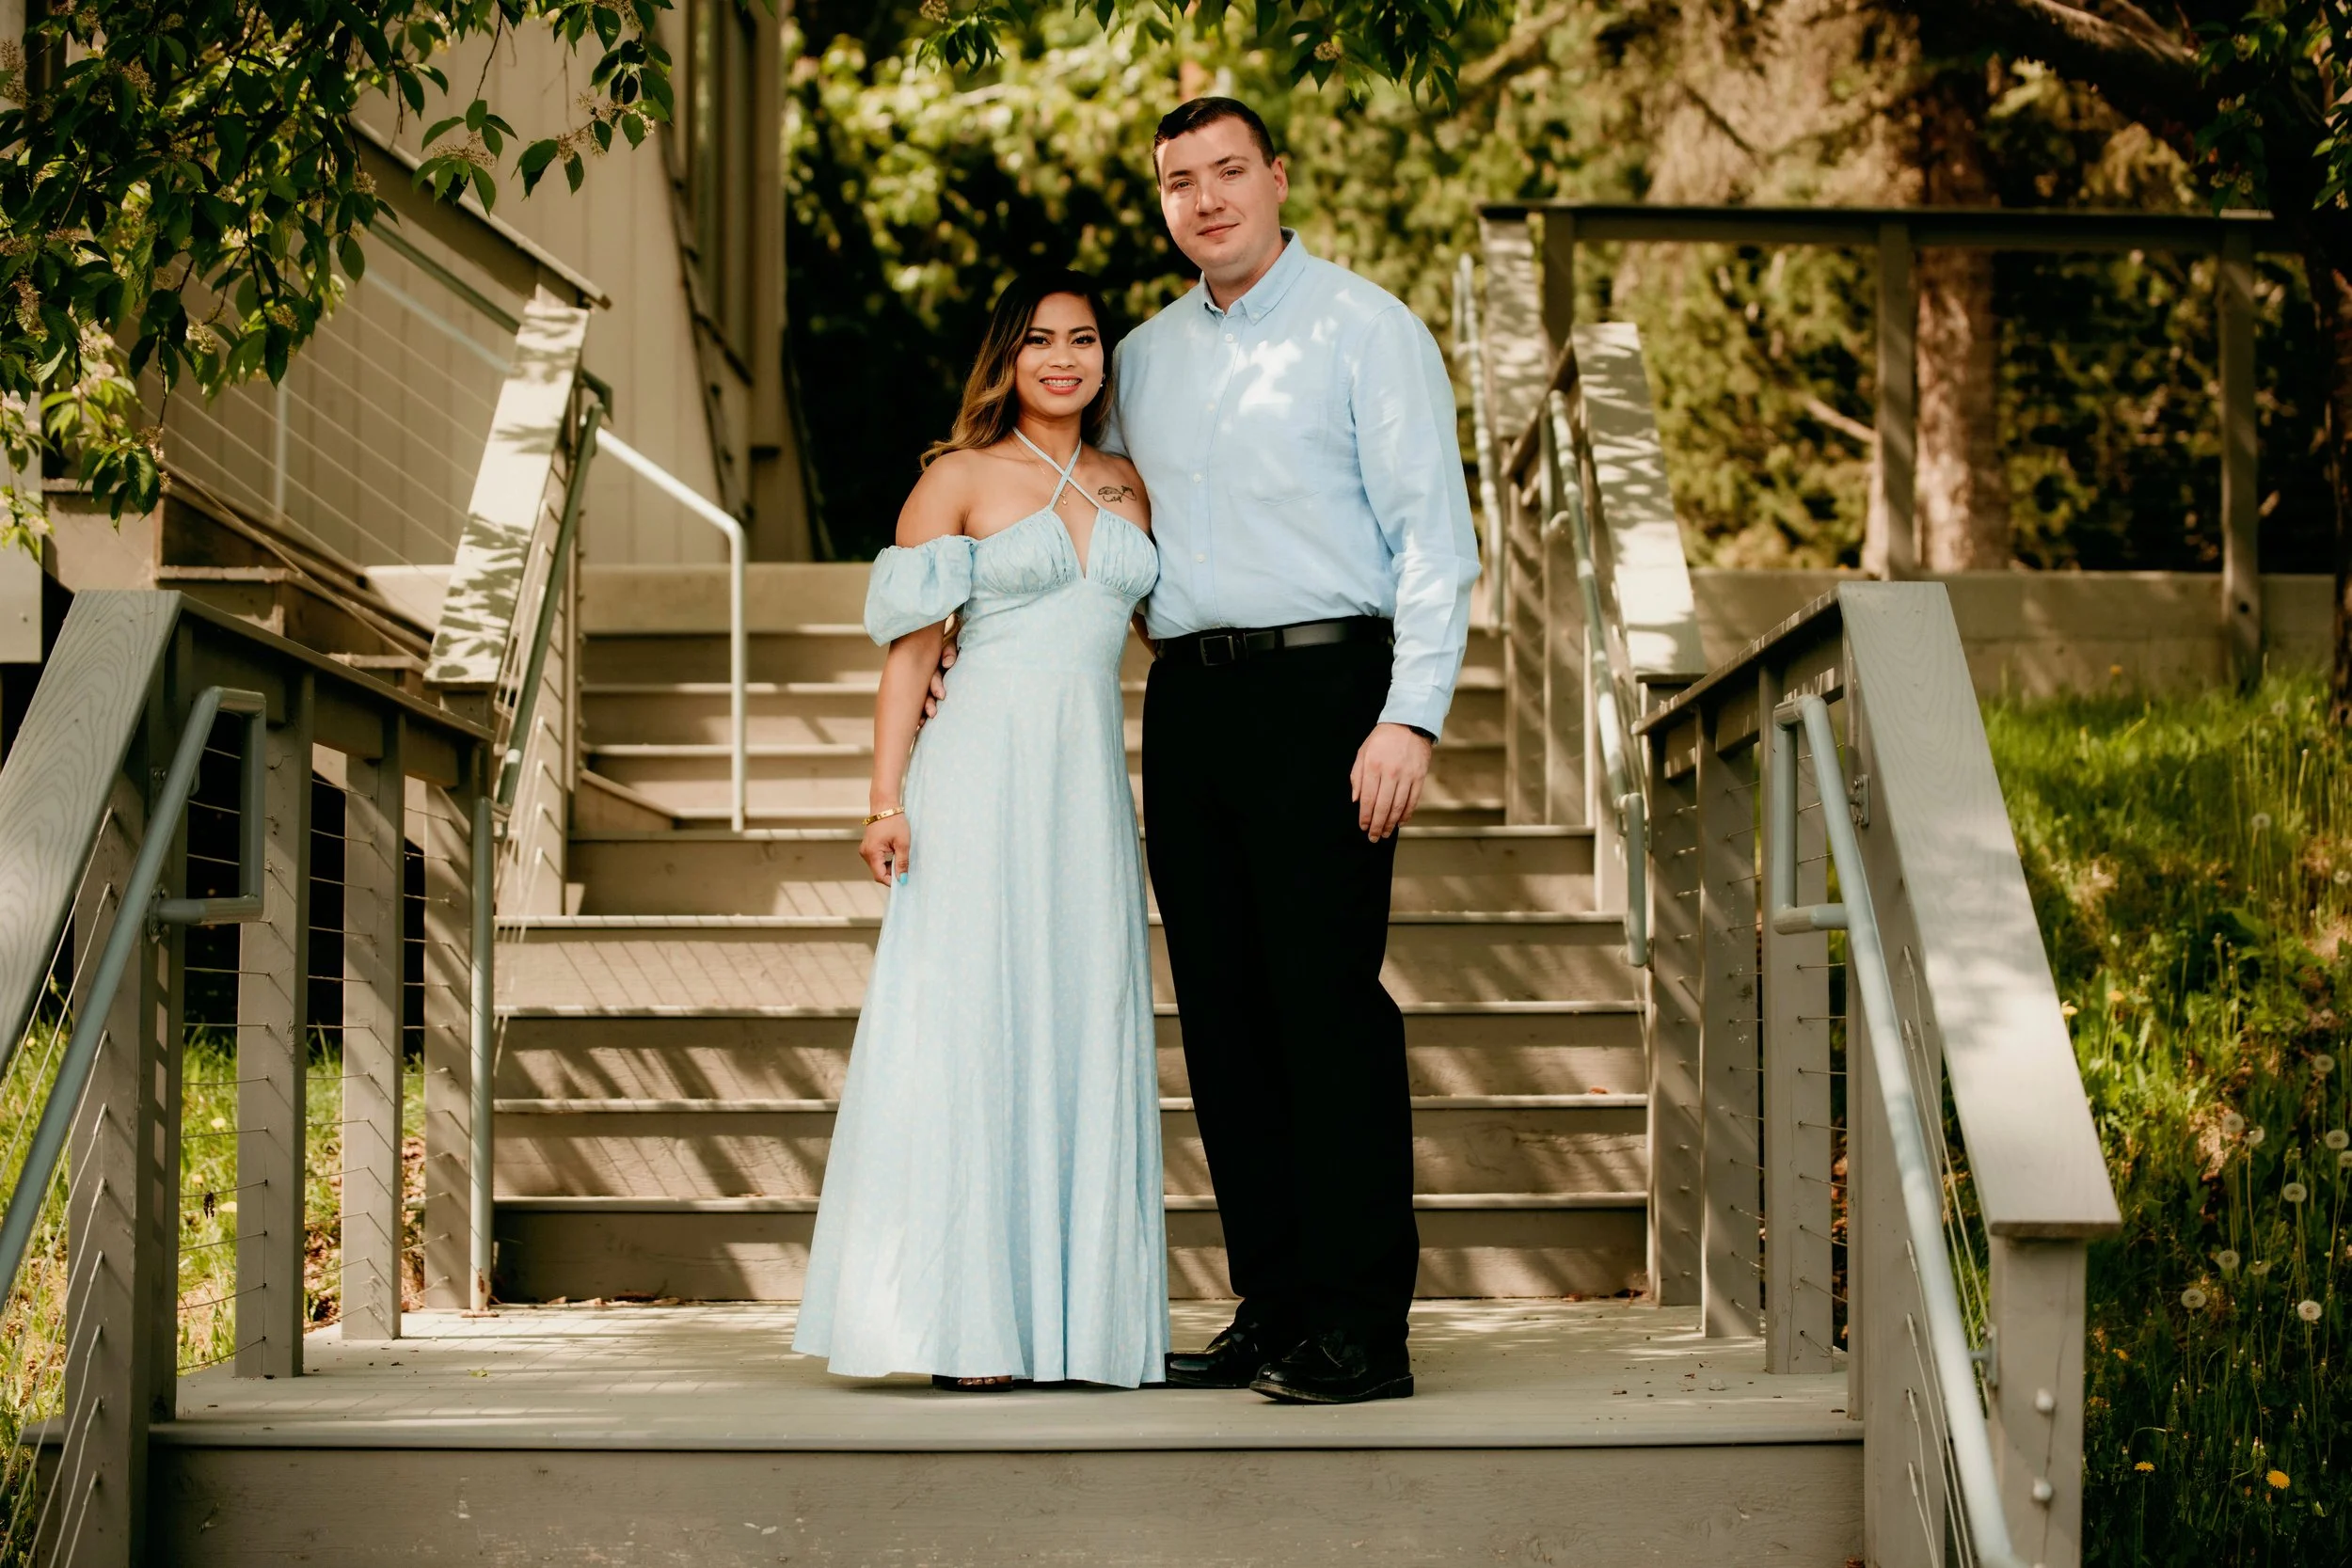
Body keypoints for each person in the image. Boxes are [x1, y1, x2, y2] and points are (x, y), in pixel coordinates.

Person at [1110, 98, 1481, 1404]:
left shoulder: (1365, 329)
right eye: (1177, 182)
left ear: (1278, 177)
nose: (1205, 199)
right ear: (1162, 204)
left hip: (1332, 693)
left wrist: (1411, 713)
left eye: (1227, 172)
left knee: (1325, 1007)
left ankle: (1362, 1324)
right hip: (1191, 705)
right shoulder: (1141, 360)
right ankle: (1272, 1306)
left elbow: (1434, 537)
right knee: (1221, 1016)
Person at [792, 271, 1168, 1391]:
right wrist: (885, 796)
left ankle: (1078, 1321)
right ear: (1007, 357)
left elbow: (1157, 625)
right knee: (972, 1017)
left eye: (1085, 339)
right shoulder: (954, 478)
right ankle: (968, 1323)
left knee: (1078, 1011)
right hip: (976, 774)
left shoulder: (1131, 482)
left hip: (1086, 786)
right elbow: (911, 649)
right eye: (1041, 340)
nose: (1065, 357)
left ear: (1106, 358)